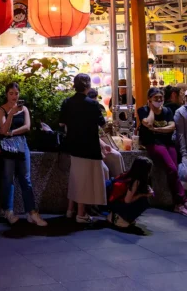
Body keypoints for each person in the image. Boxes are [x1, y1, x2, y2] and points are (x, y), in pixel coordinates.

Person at [0, 82, 47, 226]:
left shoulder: (24, 108)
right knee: (8, 178)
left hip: (21, 144)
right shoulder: (1, 110)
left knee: (26, 178)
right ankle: (8, 211)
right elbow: (2, 129)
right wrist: (11, 115)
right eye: (11, 93)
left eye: (16, 93)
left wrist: (12, 132)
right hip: (8, 147)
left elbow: (27, 127)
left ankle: (32, 212)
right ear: (7, 94)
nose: (14, 96)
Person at [59, 73, 107, 224]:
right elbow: (102, 123)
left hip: (73, 145)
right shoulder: (92, 104)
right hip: (89, 146)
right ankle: (81, 214)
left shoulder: (67, 102)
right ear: (88, 86)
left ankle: (70, 210)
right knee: (85, 181)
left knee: (76, 178)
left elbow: (61, 123)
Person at [138, 87, 187, 216]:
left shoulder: (167, 110)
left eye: (161, 98)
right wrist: (151, 110)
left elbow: (172, 127)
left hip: (167, 143)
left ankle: (180, 201)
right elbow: (148, 122)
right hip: (153, 143)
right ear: (149, 99)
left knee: (173, 169)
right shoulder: (143, 110)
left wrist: (156, 130)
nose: (159, 100)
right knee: (171, 168)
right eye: (156, 98)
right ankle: (181, 201)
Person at [106, 157, 154, 228]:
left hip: (113, 202)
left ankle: (118, 216)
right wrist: (143, 194)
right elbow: (127, 201)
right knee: (143, 201)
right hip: (117, 204)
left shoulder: (128, 174)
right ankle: (120, 218)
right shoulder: (135, 181)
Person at [90, 87, 126, 180]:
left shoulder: (97, 107)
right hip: (91, 147)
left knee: (117, 156)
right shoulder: (90, 108)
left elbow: (101, 128)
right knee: (105, 169)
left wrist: (104, 145)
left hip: (99, 142)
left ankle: (119, 184)